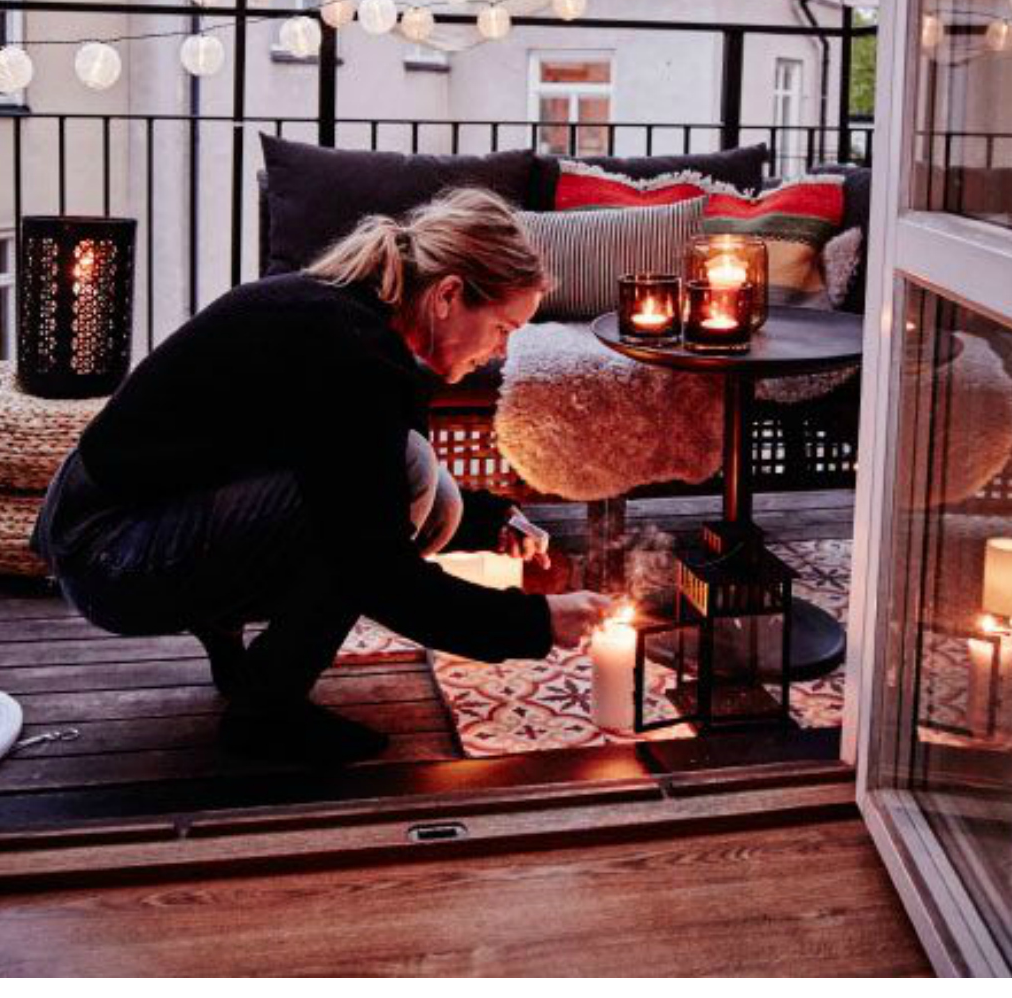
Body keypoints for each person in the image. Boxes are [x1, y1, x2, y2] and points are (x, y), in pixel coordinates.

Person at [32, 188, 615, 761]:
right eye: (503, 329)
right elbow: (377, 569)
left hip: (105, 519)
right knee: (406, 482)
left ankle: (240, 655)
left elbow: (344, 469)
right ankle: (266, 715)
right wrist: (537, 623)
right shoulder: (354, 357)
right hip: (109, 553)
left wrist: (490, 521)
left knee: (410, 487)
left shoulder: (343, 317)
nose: (500, 352)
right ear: (448, 295)